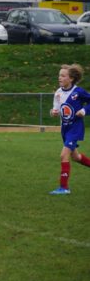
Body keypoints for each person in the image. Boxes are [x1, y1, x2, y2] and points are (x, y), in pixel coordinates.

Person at [49, 64, 90, 195]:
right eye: (59, 75)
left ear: (71, 79)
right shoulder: (58, 93)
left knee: (63, 155)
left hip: (75, 128)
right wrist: (53, 112)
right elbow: (55, 109)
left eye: (63, 76)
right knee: (76, 157)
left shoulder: (78, 92)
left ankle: (64, 187)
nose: (59, 78)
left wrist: (84, 110)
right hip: (65, 128)